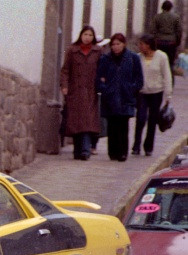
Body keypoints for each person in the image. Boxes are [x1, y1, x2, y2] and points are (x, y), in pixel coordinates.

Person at [96, 33, 144, 162]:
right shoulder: (105, 59)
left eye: (118, 44)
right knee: (112, 125)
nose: (116, 47)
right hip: (110, 97)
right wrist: (105, 89)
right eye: (113, 44)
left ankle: (123, 152)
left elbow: (139, 79)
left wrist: (131, 89)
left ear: (124, 44)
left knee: (123, 125)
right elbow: (99, 78)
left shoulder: (133, 58)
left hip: (125, 97)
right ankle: (113, 152)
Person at [60, 25, 103, 160]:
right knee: (76, 122)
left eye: (90, 35)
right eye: (85, 35)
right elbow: (65, 70)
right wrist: (65, 86)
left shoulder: (98, 51)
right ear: (81, 35)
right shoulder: (72, 50)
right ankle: (77, 150)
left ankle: (85, 150)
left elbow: (102, 69)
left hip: (91, 91)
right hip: (75, 90)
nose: (87, 38)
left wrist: (101, 83)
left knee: (87, 122)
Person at [132, 34, 172, 157]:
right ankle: (136, 145)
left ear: (148, 45)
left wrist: (168, 95)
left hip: (156, 92)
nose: (139, 46)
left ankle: (148, 147)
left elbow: (167, 75)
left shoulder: (161, 57)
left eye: (141, 44)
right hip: (142, 92)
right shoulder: (138, 58)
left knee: (152, 120)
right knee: (141, 118)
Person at [152, 0, 183, 83]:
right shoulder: (176, 17)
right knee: (170, 64)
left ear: (162, 7)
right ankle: (170, 82)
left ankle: (158, 81)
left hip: (159, 42)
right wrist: (177, 42)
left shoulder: (157, 17)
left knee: (158, 62)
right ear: (171, 8)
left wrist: (154, 41)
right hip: (171, 43)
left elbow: (153, 30)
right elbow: (179, 31)